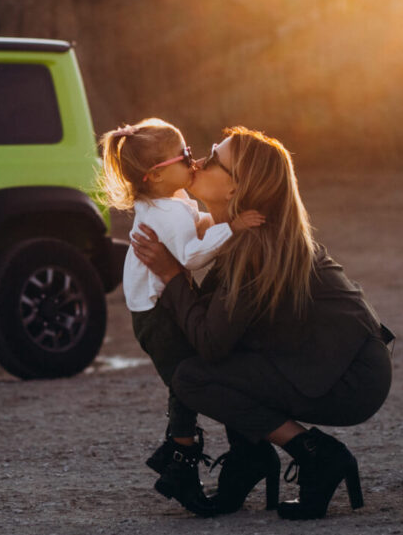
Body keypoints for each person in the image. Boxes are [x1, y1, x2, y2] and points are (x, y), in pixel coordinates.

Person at [132, 126, 394, 520]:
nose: (198, 162)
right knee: (214, 364)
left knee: (196, 376)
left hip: (350, 378)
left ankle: (316, 455)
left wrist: (171, 276)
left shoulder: (256, 248)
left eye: (214, 159)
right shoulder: (239, 238)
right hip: (323, 364)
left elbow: (209, 342)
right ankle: (250, 458)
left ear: (236, 188)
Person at [97, 118, 264, 515]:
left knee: (189, 379)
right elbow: (190, 255)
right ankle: (182, 463)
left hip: (160, 307)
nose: (195, 161)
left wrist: (219, 222)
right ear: (156, 175)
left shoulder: (167, 204)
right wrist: (235, 228)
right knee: (186, 382)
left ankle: (188, 455)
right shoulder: (166, 213)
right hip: (158, 315)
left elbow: (199, 224)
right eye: (185, 156)